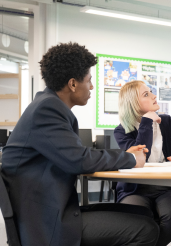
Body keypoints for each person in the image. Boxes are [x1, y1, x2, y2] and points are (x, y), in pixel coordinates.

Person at [1, 43, 159, 246]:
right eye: (89, 80)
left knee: (143, 213)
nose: (92, 86)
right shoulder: (47, 109)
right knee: (145, 229)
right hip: (48, 223)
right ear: (73, 84)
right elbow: (79, 160)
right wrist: (130, 158)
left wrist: (125, 155)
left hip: (54, 210)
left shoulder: (47, 105)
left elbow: (75, 155)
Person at [114, 80, 171, 246]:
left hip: (166, 187)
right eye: (146, 94)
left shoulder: (167, 123)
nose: (154, 96)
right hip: (135, 189)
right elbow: (139, 158)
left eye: (151, 92)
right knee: (137, 219)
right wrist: (146, 122)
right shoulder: (121, 131)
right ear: (132, 103)